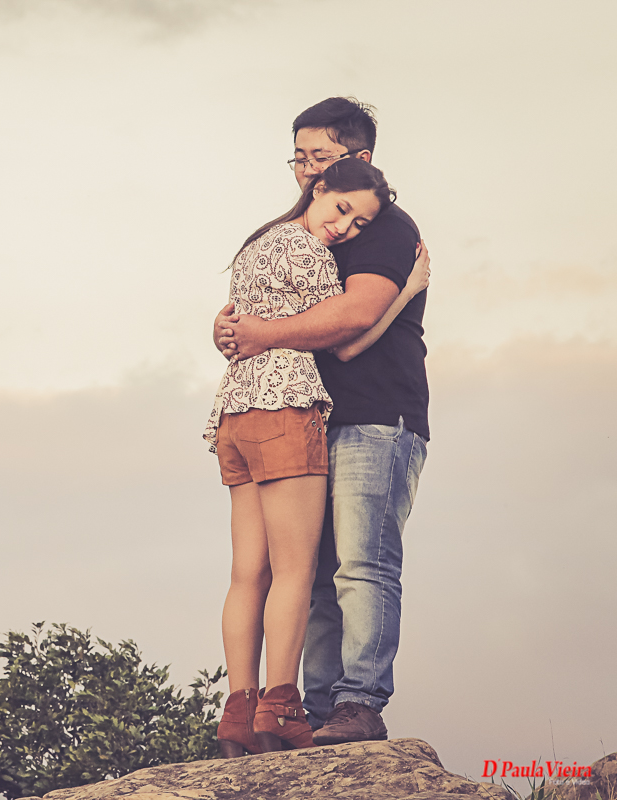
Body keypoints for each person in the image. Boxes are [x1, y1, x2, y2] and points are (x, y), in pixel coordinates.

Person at [215, 97, 431, 746]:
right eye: (300, 157)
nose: (308, 171)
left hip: (372, 416)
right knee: (304, 574)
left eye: (321, 158)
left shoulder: (388, 227)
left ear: (358, 161)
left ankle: (356, 700)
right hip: (300, 416)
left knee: (358, 565)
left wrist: (254, 332)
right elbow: (236, 319)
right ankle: (302, 704)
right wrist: (238, 330)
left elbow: (352, 319)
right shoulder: (298, 232)